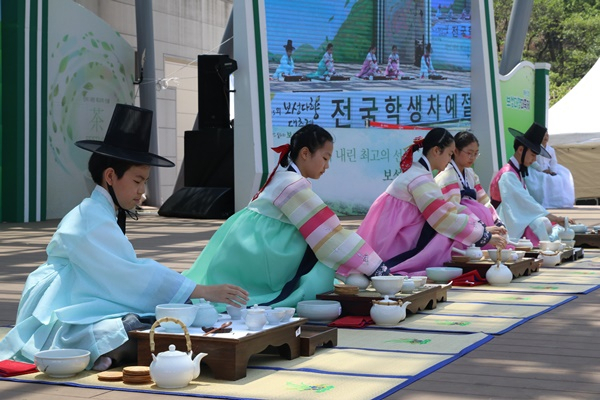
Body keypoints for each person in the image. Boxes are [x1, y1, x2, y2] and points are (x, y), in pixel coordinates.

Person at [0, 104, 248, 372]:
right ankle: (104, 349)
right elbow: (128, 274)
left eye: (145, 182)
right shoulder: (88, 219)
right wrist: (201, 290)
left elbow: (124, 276)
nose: (142, 192)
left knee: (151, 320)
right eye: (137, 181)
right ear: (110, 176)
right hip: (61, 302)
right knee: (133, 324)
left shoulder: (100, 212)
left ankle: (111, 351)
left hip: (83, 294)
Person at [182, 124, 390, 308]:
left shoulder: (285, 177)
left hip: (243, 245)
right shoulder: (293, 185)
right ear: (305, 153)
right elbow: (331, 233)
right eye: (325, 158)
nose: (327, 166)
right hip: (256, 252)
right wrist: (376, 268)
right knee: (321, 260)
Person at [357, 128, 506, 276]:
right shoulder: (420, 179)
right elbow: (445, 218)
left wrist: (482, 230)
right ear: (436, 151)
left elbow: (448, 210)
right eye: (449, 154)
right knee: (444, 239)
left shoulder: (421, 174)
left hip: (398, 229)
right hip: (394, 236)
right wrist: (483, 236)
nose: (450, 159)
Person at [489, 122, 573, 247]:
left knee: (545, 223)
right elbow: (525, 202)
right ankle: (544, 248)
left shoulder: (516, 172)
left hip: (514, 215)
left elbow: (525, 203)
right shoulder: (508, 174)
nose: (534, 160)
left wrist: (552, 217)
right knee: (541, 223)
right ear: (520, 150)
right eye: (533, 155)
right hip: (502, 218)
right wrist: (553, 217)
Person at [435, 131, 507, 250]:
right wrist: (481, 228)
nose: (472, 158)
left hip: (476, 226)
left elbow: (484, 201)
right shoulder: (446, 176)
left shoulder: (470, 174)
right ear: (456, 151)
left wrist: (497, 221)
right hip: (460, 230)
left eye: (475, 154)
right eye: (469, 153)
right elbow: (454, 208)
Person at [525, 130, 575, 208]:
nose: (546, 137)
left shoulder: (551, 149)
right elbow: (533, 161)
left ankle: (558, 202)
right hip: (536, 170)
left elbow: (553, 162)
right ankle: (542, 201)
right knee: (543, 178)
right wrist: (542, 170)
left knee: (562, 177)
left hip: (549, 170)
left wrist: (553, 172)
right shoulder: (535, 148)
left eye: (547, 135)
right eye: (544, 135)